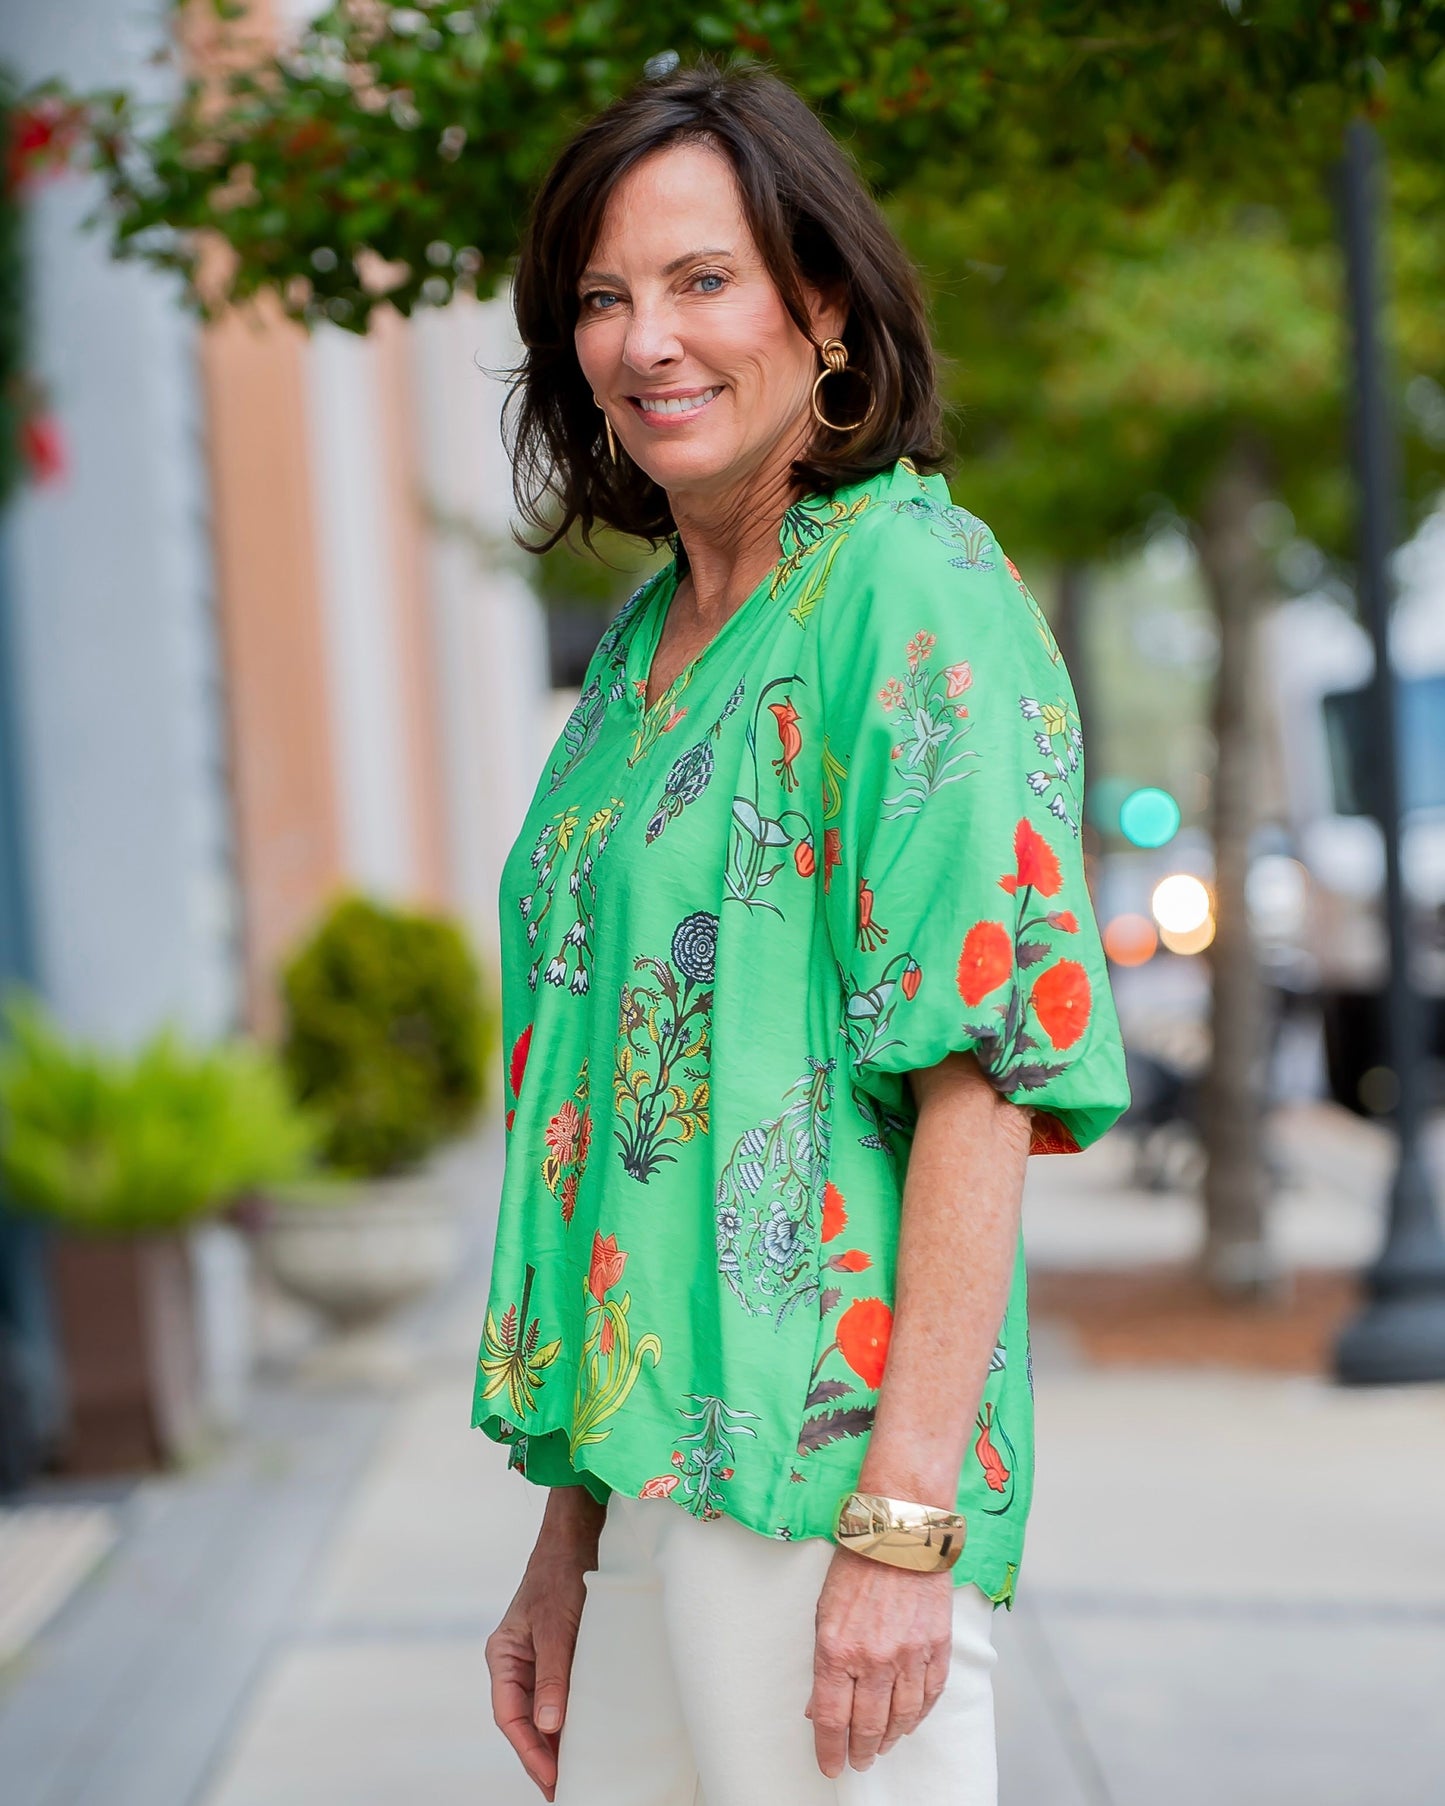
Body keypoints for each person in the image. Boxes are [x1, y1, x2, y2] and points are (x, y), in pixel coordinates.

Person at [473, 57, 1129, 1806]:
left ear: (822, 307)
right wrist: (567, 1543)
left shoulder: (910, 592)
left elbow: (984, 1069)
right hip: (645, 1480)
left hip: (823, 1490)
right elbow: (629, 1123)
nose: (646, 341)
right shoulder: (641, 650)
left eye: (702, 279)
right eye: (602, 298)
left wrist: (902, 1528)